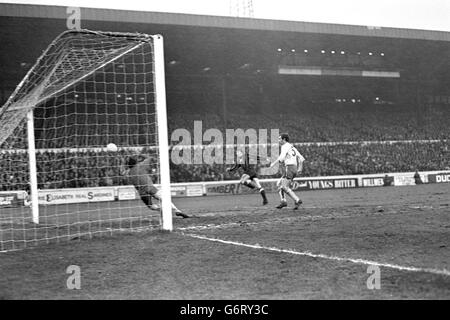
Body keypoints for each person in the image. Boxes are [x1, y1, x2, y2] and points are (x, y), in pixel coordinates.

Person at [123, 154, 190, 218]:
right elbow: (149, 158)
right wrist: (141, 155)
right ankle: (176, 210)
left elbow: (134, 185)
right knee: (164, 199)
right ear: (135, 162)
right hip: (150, 187)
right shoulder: (141, 165)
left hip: (142, 191)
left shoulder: (129, 173)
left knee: (151, 206)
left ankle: (161, 210)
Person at [269, 133, 305, 210]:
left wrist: (273, 164)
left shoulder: (284, 146)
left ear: (284, 139)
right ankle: (283, 201)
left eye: (279, 139)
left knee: (284, 186)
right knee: (279, 184)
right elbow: (301, 158)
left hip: (289, 168)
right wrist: (300, 168)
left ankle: (297, 200)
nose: (278, 140)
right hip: (293, 168)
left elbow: (281, 158)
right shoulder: (292, 147)